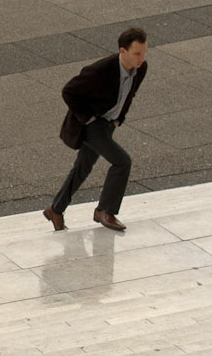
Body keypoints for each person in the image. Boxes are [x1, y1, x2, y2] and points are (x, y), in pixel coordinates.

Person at [45, 27, 149, 233]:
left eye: (144, 53)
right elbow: (69, 91)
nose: (141, 58)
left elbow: (129, 94)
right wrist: (89, 119)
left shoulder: (141, 68)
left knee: (83, 166)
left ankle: (55, 209)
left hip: (109, 124)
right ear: (123, 51)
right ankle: (105, 211)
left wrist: (119, 120)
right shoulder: (101, 70)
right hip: (92, 125)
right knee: (122, 162)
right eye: (137, 53)